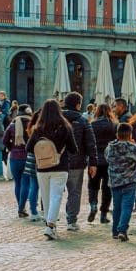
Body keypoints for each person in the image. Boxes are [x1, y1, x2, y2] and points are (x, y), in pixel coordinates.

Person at [26, 99, 79, 240]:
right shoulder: (65, 127)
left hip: (42, 167)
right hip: (60, 166)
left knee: (46, 196)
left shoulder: (38, 128)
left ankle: (49, 225)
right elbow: (74, 149)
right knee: (56, 196)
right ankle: (50, 225)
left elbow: (28, 148)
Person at [62, 92, 98, 232]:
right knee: (74, 192)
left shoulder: (56, 119)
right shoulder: (83, 121)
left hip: (56, 162)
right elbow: (91, 143)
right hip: (76, 162)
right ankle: (71, 221)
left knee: (54, 192)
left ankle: (50, 220)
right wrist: (93, 163)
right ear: (78, 104)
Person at [105, 123, 136, 242]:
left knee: (117, 207)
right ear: (130, 135)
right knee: (127, 207)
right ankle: (122, 230)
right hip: (129, 181)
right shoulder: (133, 148)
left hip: (114, 181)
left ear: (117, 134)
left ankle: (115, 231)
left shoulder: (110, 147)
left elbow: (106, 158)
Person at [88, 104, 117, 224]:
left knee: (93, 186)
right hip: (110, 161)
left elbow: (88, 143)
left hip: (94, 160)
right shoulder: (114, 125)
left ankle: (93, 205)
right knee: (107, 188)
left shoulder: (92, 125)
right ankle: (103, 214)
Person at [3, 104, 34, 216]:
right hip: (28, 157)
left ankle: (21, 207)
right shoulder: (32, 124)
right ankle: (21, 208)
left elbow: (4, 140)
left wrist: (12, 148)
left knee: (18, 183)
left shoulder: (12, 125)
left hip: (14, 157)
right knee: (26, 183)